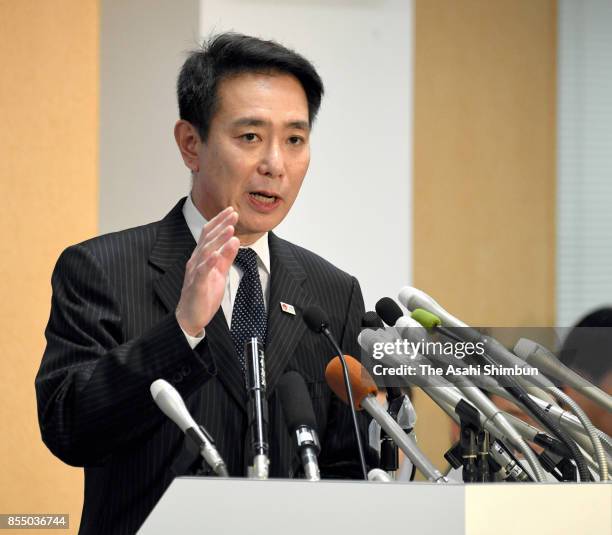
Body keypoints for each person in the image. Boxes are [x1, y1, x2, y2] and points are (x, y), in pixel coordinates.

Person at [35, 33, 373, 535]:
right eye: (250, 137)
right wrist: (181, 330)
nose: (275, 164)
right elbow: (70, 429)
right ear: (191, 144)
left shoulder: (332, 293)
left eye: (295, 140)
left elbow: (349, 469)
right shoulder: (101, 268)